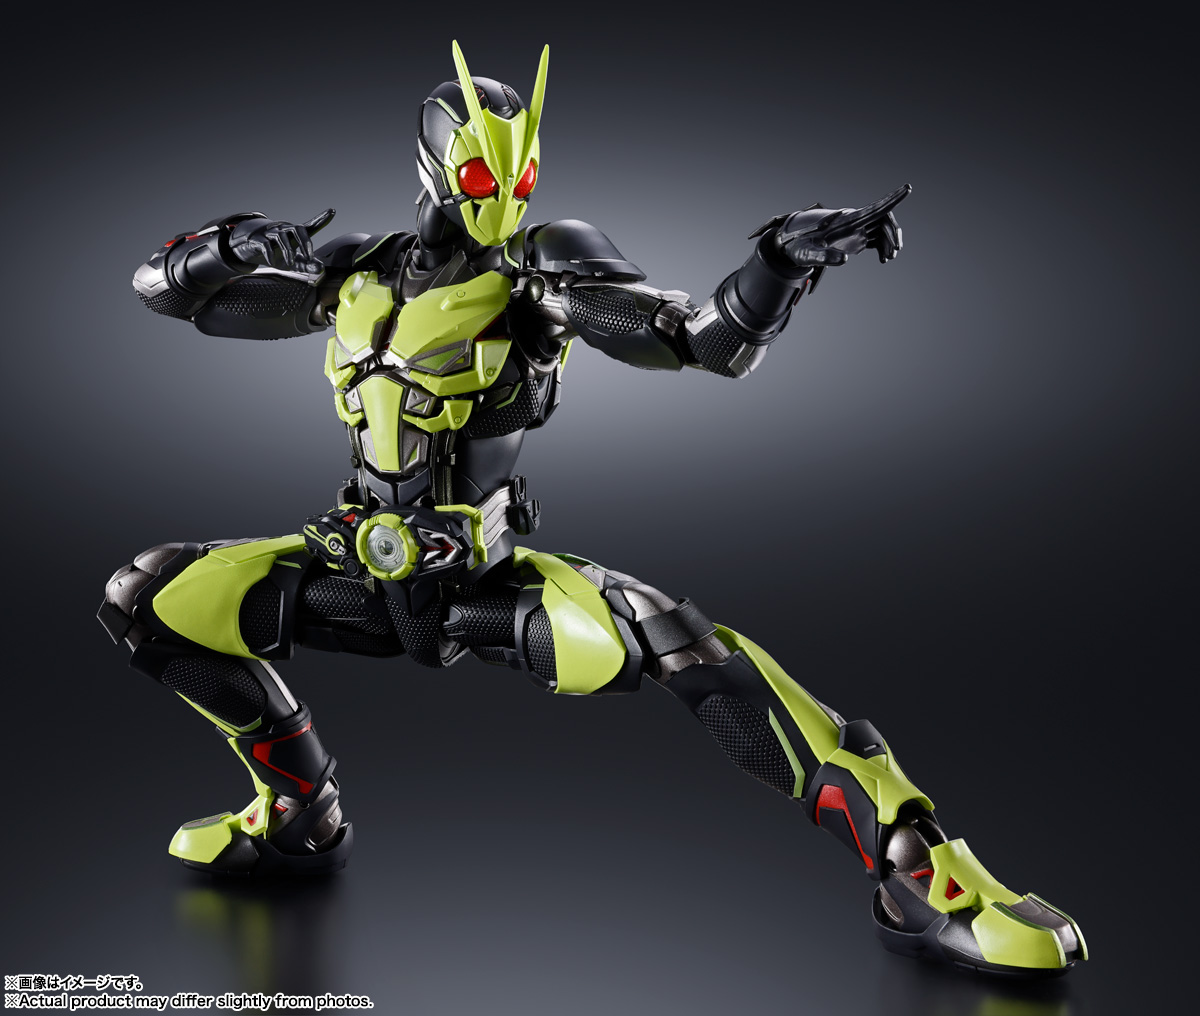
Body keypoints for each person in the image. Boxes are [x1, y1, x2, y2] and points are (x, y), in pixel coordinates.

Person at [99, 41, 1086, 977]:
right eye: (482, 177)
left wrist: (779, 262)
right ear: (434, 166)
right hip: (355, 568)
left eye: (519, 178)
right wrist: (230, 242)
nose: (502, 197)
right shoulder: (355, 270)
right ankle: (299, 816)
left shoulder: (539, 269)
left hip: (485, 588)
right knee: (149, 595)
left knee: (680, 642)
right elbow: (166, 292)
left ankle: (930, 881)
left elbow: (701, 339)